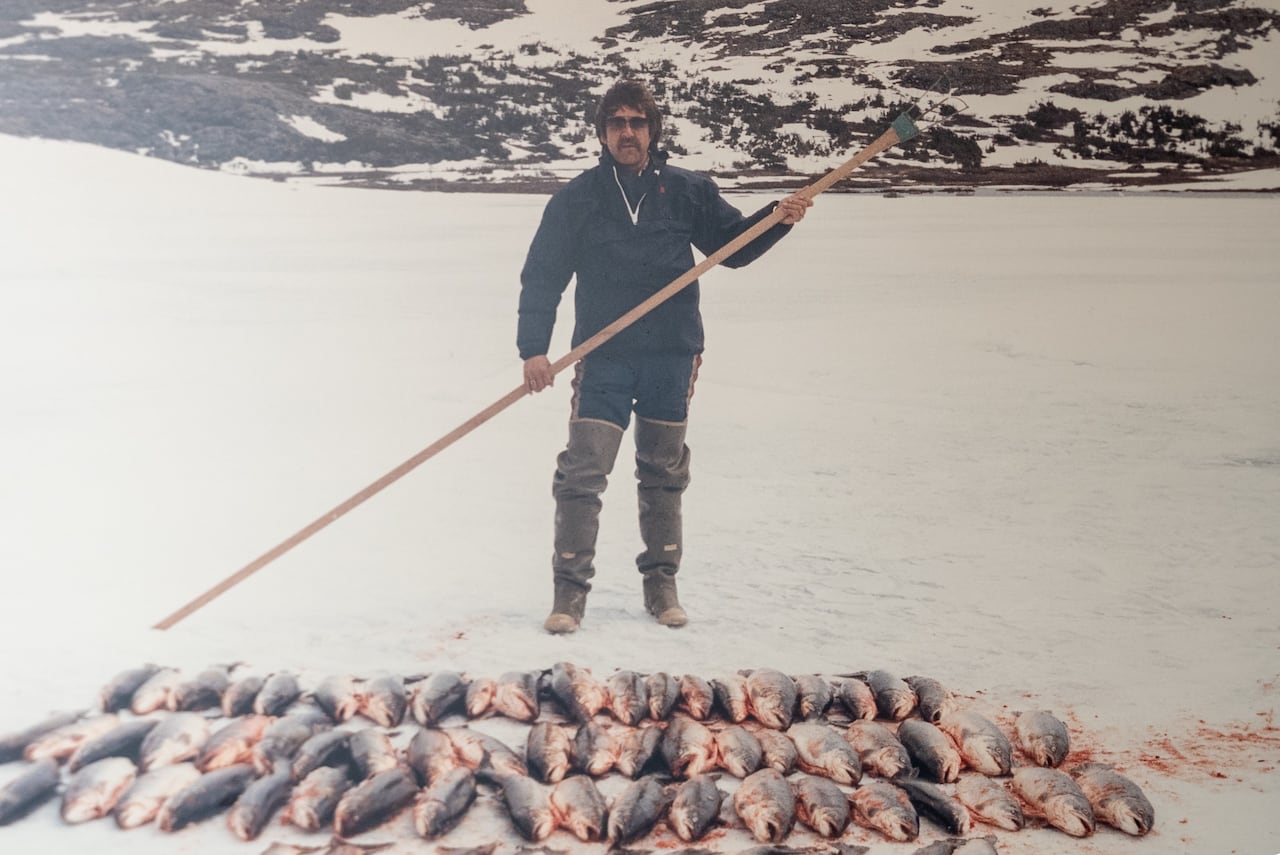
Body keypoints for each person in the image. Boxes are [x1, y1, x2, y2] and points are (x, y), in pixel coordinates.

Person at [517, 79, 812, 634]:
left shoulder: (687, 190)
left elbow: (734, 249)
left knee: (662, 472)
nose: (627, 133)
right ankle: (569, 595)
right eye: (616, 123)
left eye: (637, 122)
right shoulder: (576, 199)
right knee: (583, 471)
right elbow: (542, 277)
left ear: (653, 129)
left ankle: (661, 586)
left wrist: (776, 218)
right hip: (603, 354)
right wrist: (534, 349)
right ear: (601, 132)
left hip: (672, 355)